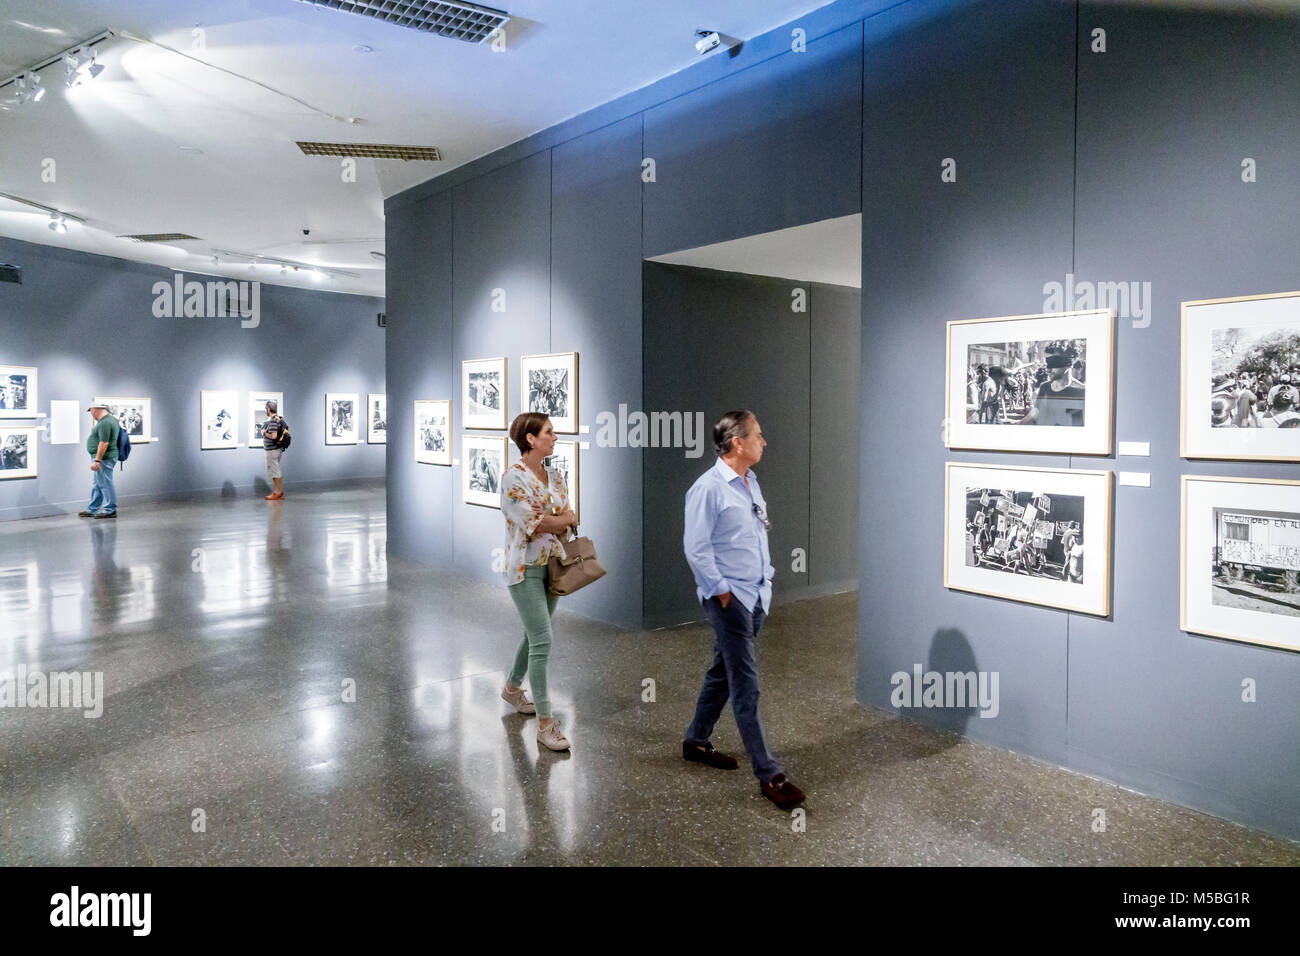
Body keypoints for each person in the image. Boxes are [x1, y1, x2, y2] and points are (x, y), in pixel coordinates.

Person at [682, 410, 805, 810]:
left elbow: (755, 532)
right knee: (746, 685)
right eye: (759, 435)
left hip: (756, 596)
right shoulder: (708, 489)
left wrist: (765, 579)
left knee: (723, 671)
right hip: (730, 601)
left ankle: (696, 741)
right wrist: (722, 593)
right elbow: (696, 549)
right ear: (738, 442)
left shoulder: (750, 483)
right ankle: (769, 775)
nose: (764, 442)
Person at [499, 412, 578, 752]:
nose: (555, 437)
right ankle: (546, 723)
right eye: (549, 432)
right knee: (543, 639)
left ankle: (513, 689)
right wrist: (557, 520)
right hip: (524, 569)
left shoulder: (556, 475)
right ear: (530, 439)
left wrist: (558, 520)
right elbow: (534, 523)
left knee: (534, 636)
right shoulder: (511, 479)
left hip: (554, 566)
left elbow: (570, 517)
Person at [1018, 350, 1085, 426]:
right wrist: (1019, 423)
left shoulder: (1081, 391)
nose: (1048, 370)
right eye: (1048, 364)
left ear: (1069, 363)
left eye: (1054, 364)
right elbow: (1035, 412)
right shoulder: (1044, 387)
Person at [79, 402, 120, 519]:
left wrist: (97, 461)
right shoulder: (109, 420)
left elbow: (104, 443)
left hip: (104, 458)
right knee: (97, 484)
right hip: (104, 458)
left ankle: (110, 510)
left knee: (105, 483)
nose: (91, 414)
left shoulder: (105, 422)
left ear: (95, 410)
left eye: (91, 411)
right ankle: (93, 509)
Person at [261, 400, 289, 500]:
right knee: (276, 469)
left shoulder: (273, 420)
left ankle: (277, 492)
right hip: (276, 450)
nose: (265, 410)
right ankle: (279, 491)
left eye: (266, 409)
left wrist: (264, 433)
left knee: (274, 470)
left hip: (273, 450)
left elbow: (273, 436)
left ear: (268, 409)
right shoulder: (277, 419)